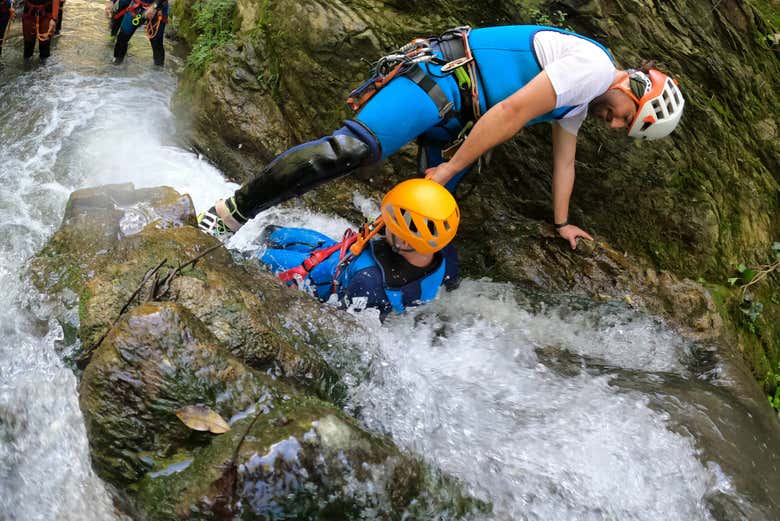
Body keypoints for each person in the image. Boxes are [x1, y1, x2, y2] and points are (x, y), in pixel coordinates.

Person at [198, 25, 685, 249]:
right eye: (627, 118)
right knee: (350, 150)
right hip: (440, 81)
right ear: (634, 88)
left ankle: (348, 270)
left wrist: (561, 224)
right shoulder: (594, 68)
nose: (617, 125)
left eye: (626, 130)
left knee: (426, 227)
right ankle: (229, 213)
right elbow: (513, 111)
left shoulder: (583, 97)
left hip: (458, 116)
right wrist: (451, 167)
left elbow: (566, 162)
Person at [257, 179, 460, 318]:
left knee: (254, 256)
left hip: (320, 278)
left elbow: (342, 322)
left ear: (405, 242)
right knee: (273, 232)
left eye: (389, 224)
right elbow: (451, 282)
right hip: (339, 257)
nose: (382, 224)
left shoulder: (370, 283)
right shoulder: (441, 249)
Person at [112, 0, 167, 66]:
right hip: (137, 5)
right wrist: (112, 2)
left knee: (157, 43)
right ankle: (116, 65)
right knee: (122, 38)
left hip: (159, 7)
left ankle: (158, 70)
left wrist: (154, 6)